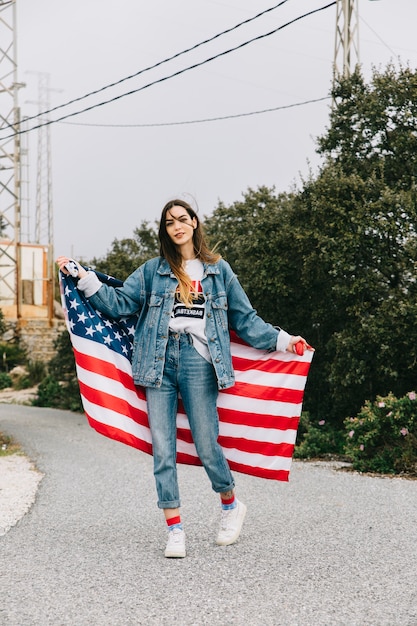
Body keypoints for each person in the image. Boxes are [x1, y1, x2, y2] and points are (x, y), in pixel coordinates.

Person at [57, 199, 309, 559]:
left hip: (198, 360)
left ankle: (230, 505)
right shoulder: (152, 271)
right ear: (165, 230)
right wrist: (83, 277)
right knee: (163, 450)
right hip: (157, 360)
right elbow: (120, 304)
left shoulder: (219, 271)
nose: (176, 225)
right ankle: (174, 529)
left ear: (194, 222)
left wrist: (285, 340)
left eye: (182, 218)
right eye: (169, 221)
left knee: (207, 444)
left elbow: (246, 319)